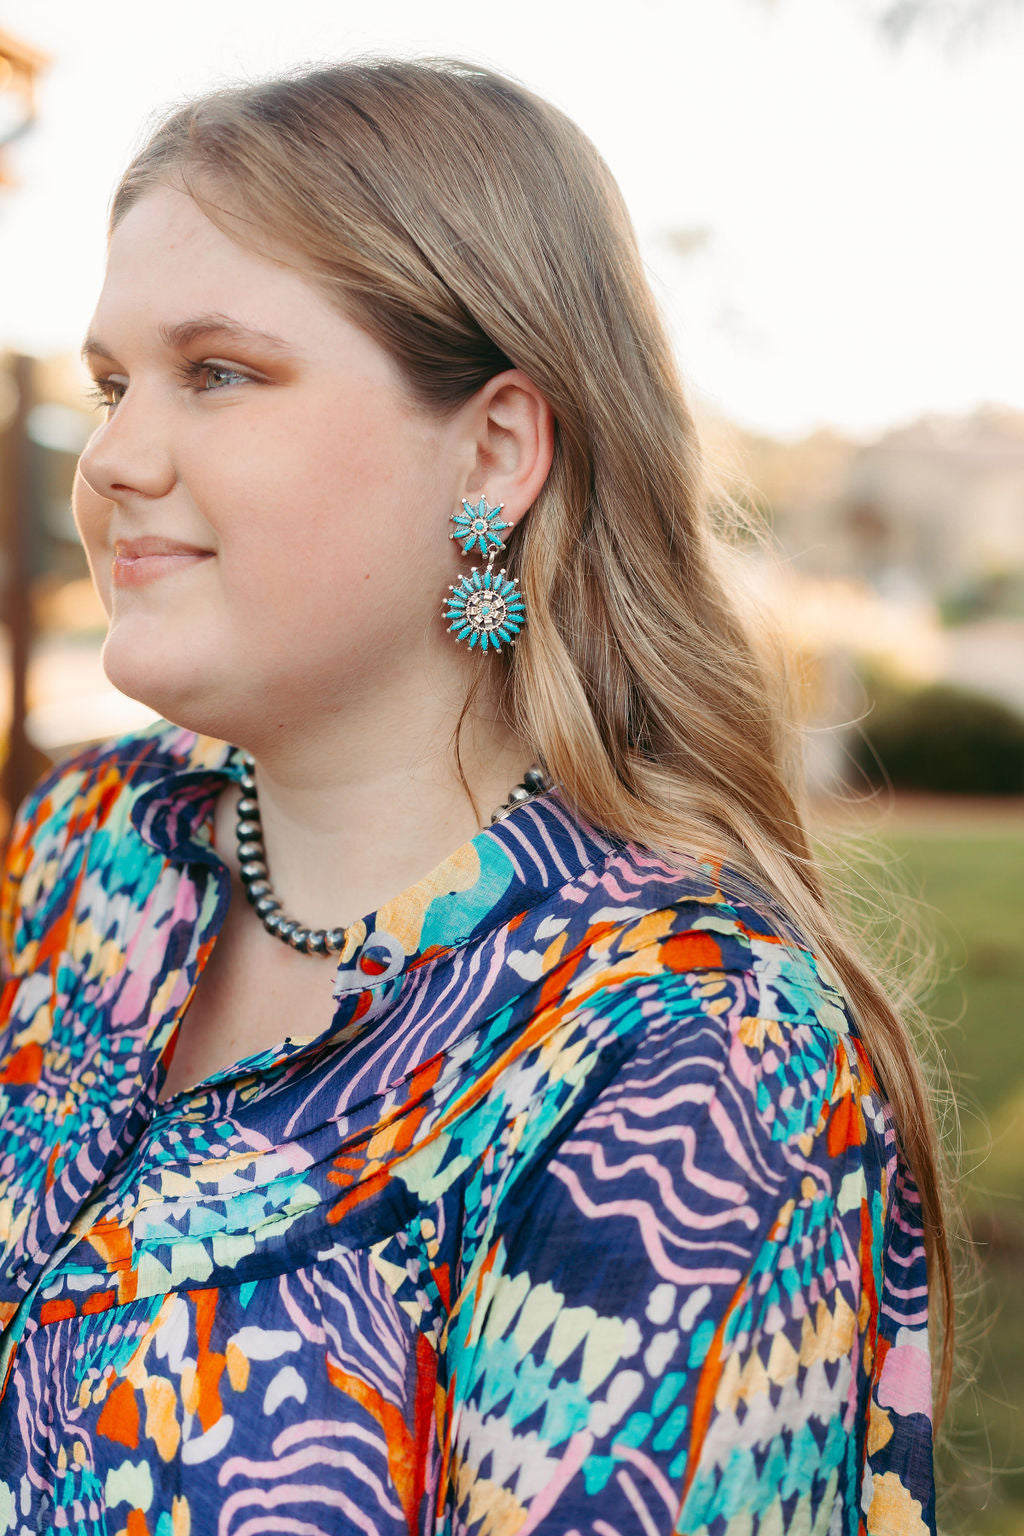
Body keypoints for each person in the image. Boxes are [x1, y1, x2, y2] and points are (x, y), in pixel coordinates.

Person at [0, 56, 946, 1535]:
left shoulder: (686, 1053)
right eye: (114, 383)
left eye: (219, 373)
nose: (112, 457)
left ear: (494, 450)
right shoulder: (86, 852)